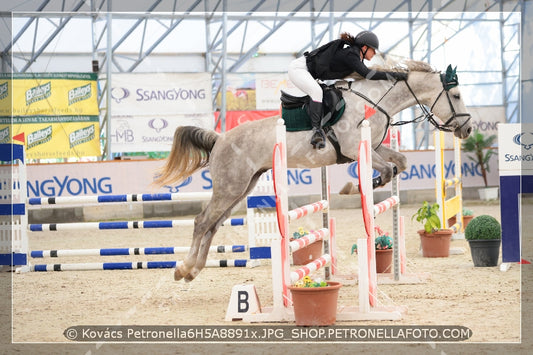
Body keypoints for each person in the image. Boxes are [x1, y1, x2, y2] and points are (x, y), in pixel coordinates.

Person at [288, 30, 408, 149]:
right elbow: (368, 74)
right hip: (298, 70)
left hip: (307, 72)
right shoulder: (351, 55)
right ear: (364, 47)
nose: (374, 53)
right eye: (373, 50)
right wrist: (395, 75)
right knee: (317, 92)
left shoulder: (354, 55)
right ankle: (317, 132)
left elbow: (362, 75)